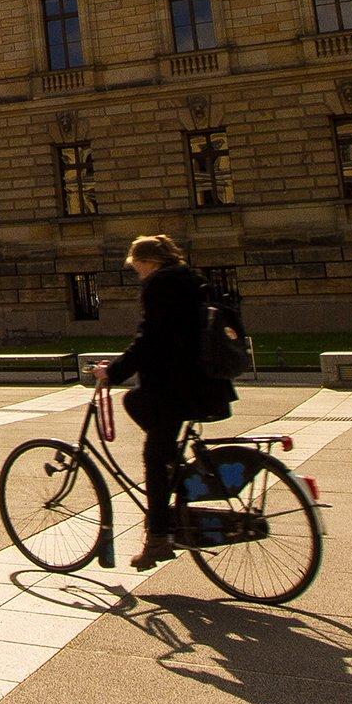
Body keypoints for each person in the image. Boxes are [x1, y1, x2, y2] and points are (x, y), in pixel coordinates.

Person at [96, 234, 235, 569]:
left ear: (150, 262)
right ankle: (174, 467)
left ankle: (157, 538)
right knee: (136, 404)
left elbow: (149, 340)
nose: (137, 272)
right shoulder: (191, 280)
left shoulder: (159, 286)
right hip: (202, 384)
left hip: (175, 388)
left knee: (153, 459)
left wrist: (111, 373)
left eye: (137, 266)